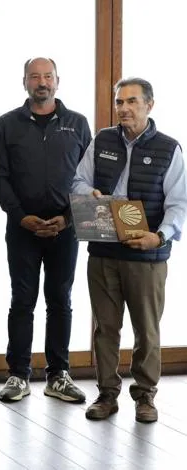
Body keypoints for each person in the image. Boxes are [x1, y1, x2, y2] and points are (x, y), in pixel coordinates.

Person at [72, 77, 187, 423]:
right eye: (120, 102)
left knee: (146, 330)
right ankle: (107, 394)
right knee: (105, 329)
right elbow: (78, 180)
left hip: (147, 256)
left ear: (149, 105)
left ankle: (145, 396)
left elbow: (179, 204)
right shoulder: (103, 139)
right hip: (103, 252)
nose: (124, 108)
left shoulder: (169, 148)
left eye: (132, 102)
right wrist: (88, 192)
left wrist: (160, 237)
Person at [0, 57, 91, 403]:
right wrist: (20, 216)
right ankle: (18, 374)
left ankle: (58, 374)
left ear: (58, 82)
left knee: (60, 300)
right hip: (23, 228)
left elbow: (88, 178)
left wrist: (68, 218)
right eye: (35, 77)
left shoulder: (77, 123)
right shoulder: (7, 124)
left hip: (66, 228)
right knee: (22, 300)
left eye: (47, 76)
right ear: (25, 82)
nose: (41, 82)